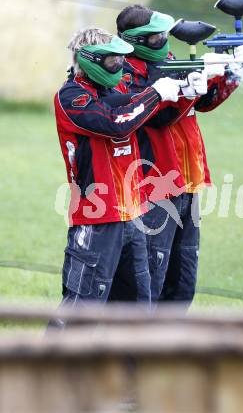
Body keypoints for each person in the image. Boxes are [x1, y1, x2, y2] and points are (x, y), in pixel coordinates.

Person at [115, 5, 243, 307]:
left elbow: (203, 102)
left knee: (183, 277)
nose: (163, 41)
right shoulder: (124, 74)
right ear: (136, 40)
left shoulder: (164, 61)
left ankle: (170, 346)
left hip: (186, 183)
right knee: (150, 277)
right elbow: (158, 118)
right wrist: (187, 90)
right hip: (152, 186)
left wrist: (230, 74)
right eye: (155, 37)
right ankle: (136, 349)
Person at [53, 26, 186, 308]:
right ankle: (53, 354)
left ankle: (127, 355)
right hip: (97, 217)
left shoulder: (119, 90)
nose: (120, 65)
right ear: (91, 60)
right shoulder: (71, 97)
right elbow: (115, 122)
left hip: (134, 213)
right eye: (112, 60)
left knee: (136, 310)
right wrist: (155, 94)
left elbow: (153, 116)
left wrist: (189, 90)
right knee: (82, 306)